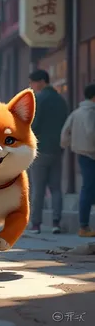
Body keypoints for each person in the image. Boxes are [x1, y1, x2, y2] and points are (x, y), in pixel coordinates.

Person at [28, 69, 68, 234]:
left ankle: (36, 224)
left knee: (38, 189)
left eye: (32, 82)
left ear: (42, 81)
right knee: (56, 188)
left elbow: (33, 125)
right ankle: (56, 223)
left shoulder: (38, 100)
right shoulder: (61, 100)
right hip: (57, 150)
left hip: (40, 150)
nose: (31, 86)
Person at [61, 83, 95, 237]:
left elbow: (64, 133)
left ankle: (84, 225)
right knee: (88, 189)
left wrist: (66, 145)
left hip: (81, 154)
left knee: (87, 188)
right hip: (92, 154)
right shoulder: (91, 112)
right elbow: (91, 131)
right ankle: (84, 226)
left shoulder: (77, 112)